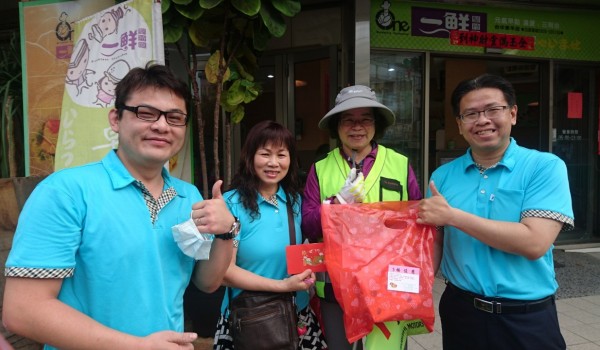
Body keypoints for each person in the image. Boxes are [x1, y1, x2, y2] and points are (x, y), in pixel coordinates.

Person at [3, 63, 237, 350]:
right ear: (116, 118)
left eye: (175, 118)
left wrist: (228, 230)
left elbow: (207, 282)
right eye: (146, 113)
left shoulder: (188, 197)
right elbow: (23, 311)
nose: (162, 125)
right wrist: (139, 346)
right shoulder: (65, 192)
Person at [417, 73, 574, 350]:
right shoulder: (442, 177)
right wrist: (411, 288)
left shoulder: (544, 167)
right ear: (460, 124)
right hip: (460, 312)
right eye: (471, 114)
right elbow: (434, 241)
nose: (482, 120)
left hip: (526, 317)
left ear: (512, 114)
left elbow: (534, 242)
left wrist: (453, 216)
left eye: (493, 110)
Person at [302, 85, 422, 349]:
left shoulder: (399, 164)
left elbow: (417, 224)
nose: (357, 127)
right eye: (348, 120)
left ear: (376, 124)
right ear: (337, 125)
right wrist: (336, 204)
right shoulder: (320, 169)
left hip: (389, 284)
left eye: (365, 119)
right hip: (336, 286)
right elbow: (308, 225)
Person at [214, 120, 327, 350]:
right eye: (265, 154)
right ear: (250, 157)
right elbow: (224, 272)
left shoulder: (296, 202)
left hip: (297, 315)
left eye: (281, 155)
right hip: (250, 318)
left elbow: (306, 251)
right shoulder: (231, 204)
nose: (273, 163)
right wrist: (283, 286)